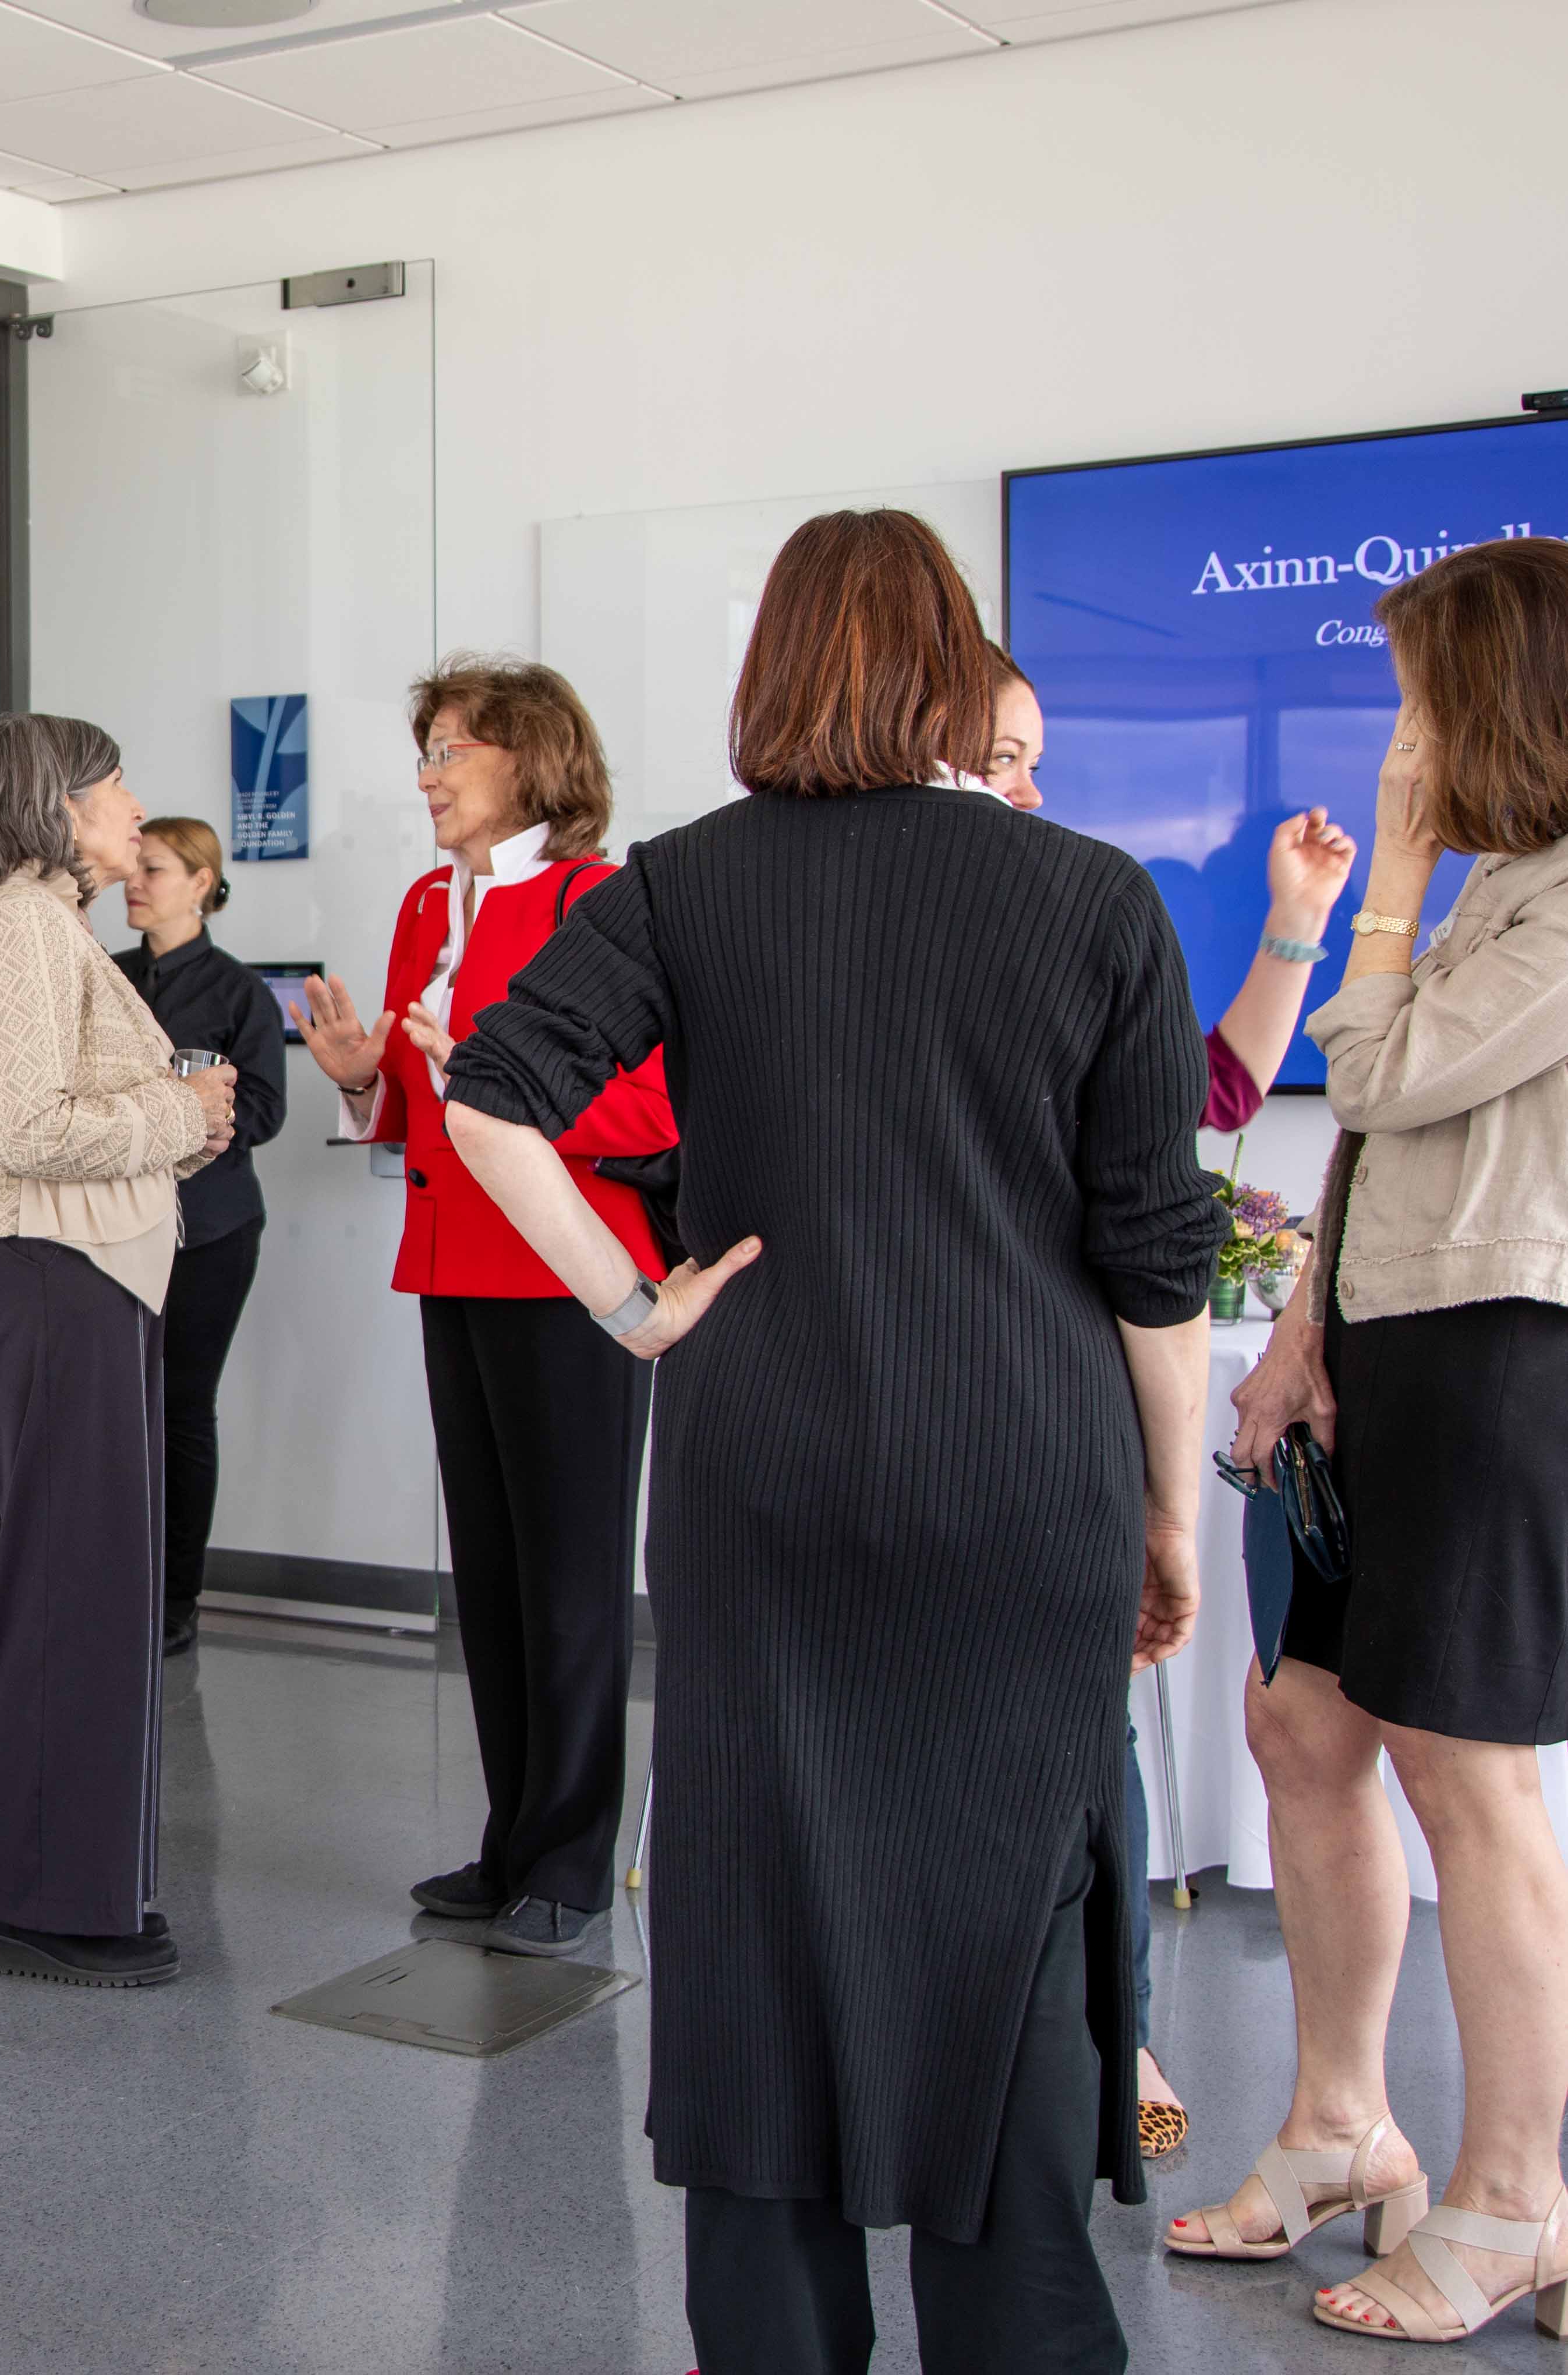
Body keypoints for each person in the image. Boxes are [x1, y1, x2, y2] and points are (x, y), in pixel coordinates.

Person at [442, 510, 1219, 2375]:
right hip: (1023, 1475)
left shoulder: (687, 883)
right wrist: (1166, 1516)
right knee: (1013, 1930)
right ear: (950, 668)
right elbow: (1152, 1256)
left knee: (755, 1931)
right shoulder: (1090, 896)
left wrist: (635, 1305)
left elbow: (489, 1093)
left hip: (759, 1473)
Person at [1176, 534, 1568, 2347]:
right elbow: (1359, 1143)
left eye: (1420, 689)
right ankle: (1341, 2126)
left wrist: (1388, 883)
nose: (1399, 728)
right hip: (1388, 1346)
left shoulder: (1543, 893)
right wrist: (1302, 1335)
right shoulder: (1498, 887)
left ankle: (1509, 2201)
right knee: (1299, 1723)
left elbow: (1387, 1071)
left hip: (1501, 1355)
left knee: (1463, 1775)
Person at [983, 642, 1361, 2161]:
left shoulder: (1076, 927)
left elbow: (1202, 1092)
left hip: (1051, 1409)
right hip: (918, 1410)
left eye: (1033, 754)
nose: (1031, 786)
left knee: (1084, 1753)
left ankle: (1105, 2030)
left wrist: (1289, 924)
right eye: (1006, 753)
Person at [298, 659, 675, 1957]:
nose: (426, 773)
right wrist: (363, 1085)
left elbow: (660, 1108)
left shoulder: (603, 900)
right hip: (450, 1259)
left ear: (528, 757)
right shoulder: (420, 903)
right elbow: (421, 1103)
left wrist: (515, 1088)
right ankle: (512, 1839)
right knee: (496, 1575)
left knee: (571, 1575)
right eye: (426, 748)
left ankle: (570, 1861)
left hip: (571, 1270)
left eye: (449, 746)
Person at [0, 715, 236, 1988]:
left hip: (70, 1267)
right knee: (73, 1585)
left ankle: (48, 1881)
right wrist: (177, 1106)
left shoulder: (42, 926)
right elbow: (40, 1127)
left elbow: (79, 1116)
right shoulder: (19, 928)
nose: (135, 805)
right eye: (114, 787)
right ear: (55, 803)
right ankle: (40, 1897)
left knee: (88, 1584)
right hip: (50, 1269)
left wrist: (179, 1118)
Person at [987, 645, 1360, 1125]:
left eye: (1033, 765)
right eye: (1002, 758)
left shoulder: (1062, 925)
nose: (1032, 794)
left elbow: (1214, 1092)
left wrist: (1299, 914)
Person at [115, 815, 288, 1657]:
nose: (132, 883)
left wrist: (186, 1119)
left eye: (151, 869)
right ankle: (115, 1583)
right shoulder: (104, 979)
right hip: (112, 1228)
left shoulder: (236, 992)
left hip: (209, 1233)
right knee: (116, 1410)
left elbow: (263, 1110)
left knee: (181, 1410)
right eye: (132, 869)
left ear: (202, 881)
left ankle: (175, 1601)